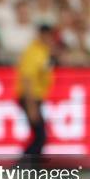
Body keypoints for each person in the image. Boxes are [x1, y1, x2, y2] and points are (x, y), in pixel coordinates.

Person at [15, 25, 55, 156]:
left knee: (40, 136)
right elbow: (27, 79)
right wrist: (31, 106)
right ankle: (22, 167)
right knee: (40, 137)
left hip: (35, 98)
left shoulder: (43, 51)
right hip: (30, 98)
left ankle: (28, 168)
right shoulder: (33, 52)